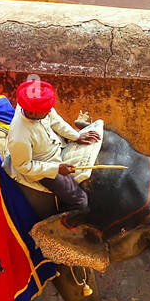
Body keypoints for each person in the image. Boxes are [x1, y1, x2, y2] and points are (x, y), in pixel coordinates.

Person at [6, 79, 100, 212]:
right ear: (32, 113)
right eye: (46, 111)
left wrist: (76, 136)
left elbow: (56, 122)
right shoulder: (19, 136)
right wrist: (56, 169)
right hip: (43, 166)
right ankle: (59, 223)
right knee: (80, 202)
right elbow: (23, 166)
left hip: (55, 144)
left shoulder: (37, 107)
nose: (49, 111)